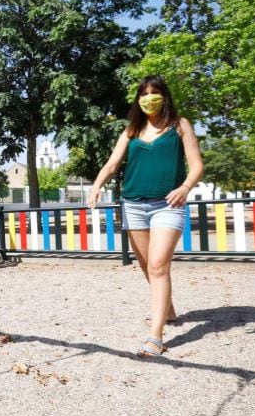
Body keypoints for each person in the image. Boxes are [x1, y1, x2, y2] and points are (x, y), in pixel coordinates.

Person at [87, 75, 204, 357]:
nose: (149, 98)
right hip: (134, 205)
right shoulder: (132, 130)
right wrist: (96, 186)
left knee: (158, 265)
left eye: (154, 93)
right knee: (145, 265)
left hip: (168, 204)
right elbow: (113, 163)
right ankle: (168, 308)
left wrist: (185, 187)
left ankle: (156, 335)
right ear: (138, 99)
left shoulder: (180, 125)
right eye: (144, 94)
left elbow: (197, 165)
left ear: (164, 96)